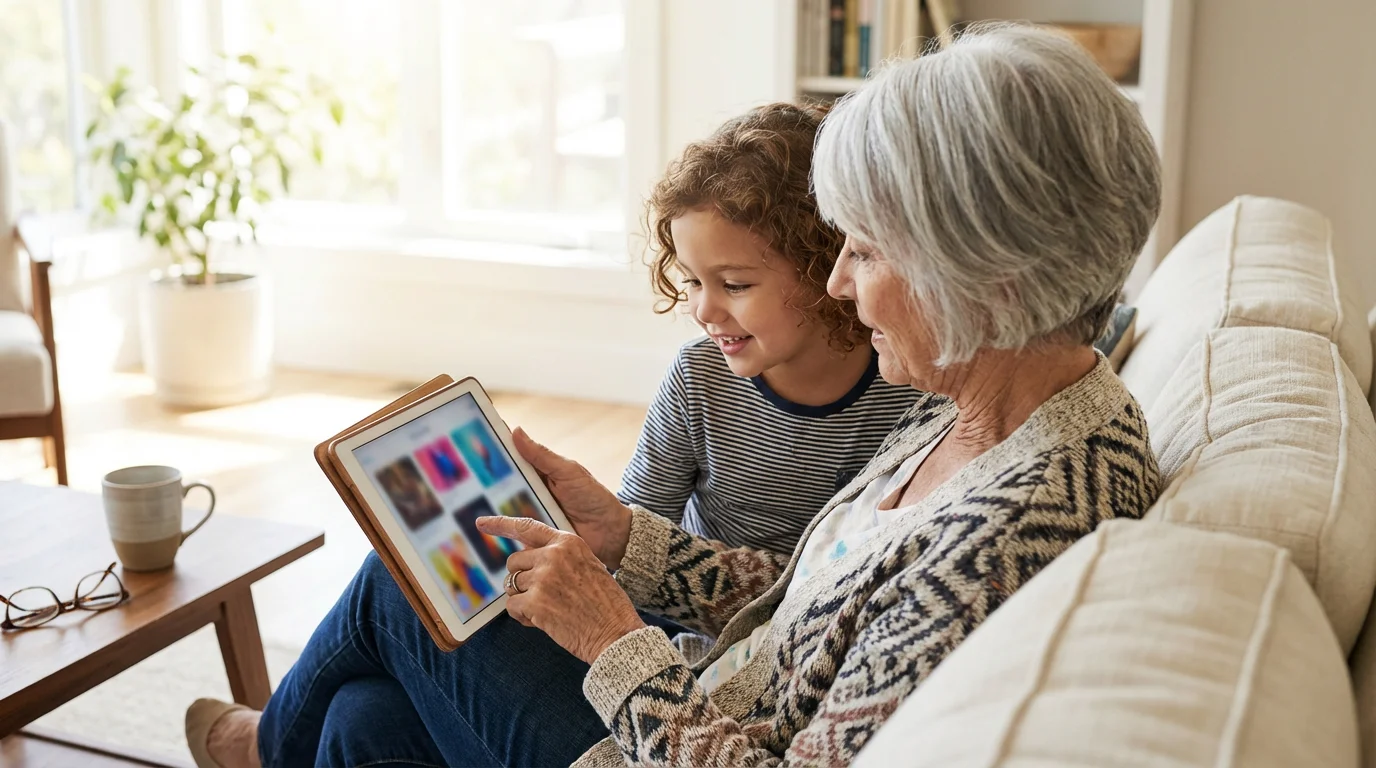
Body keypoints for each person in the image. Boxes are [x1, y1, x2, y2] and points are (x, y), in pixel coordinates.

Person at [186, 23, 1163, 768]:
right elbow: (805, 610)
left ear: (983, 275)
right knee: (363, 725)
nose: (836, 283)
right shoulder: (993, 417)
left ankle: (261, 745)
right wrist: (627, 541)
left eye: (864, 251)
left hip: (666, 737)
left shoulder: (1018, 528)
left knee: (399, 588)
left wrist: (610, 638)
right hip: (701, 693)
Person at [618, 101, 919, 556]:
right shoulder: (698, 377)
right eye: (693, 281)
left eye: (735, 285)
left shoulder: (904, 383)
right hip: (682, 603)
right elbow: (632, 530)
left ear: (824, 267)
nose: (703, 310)